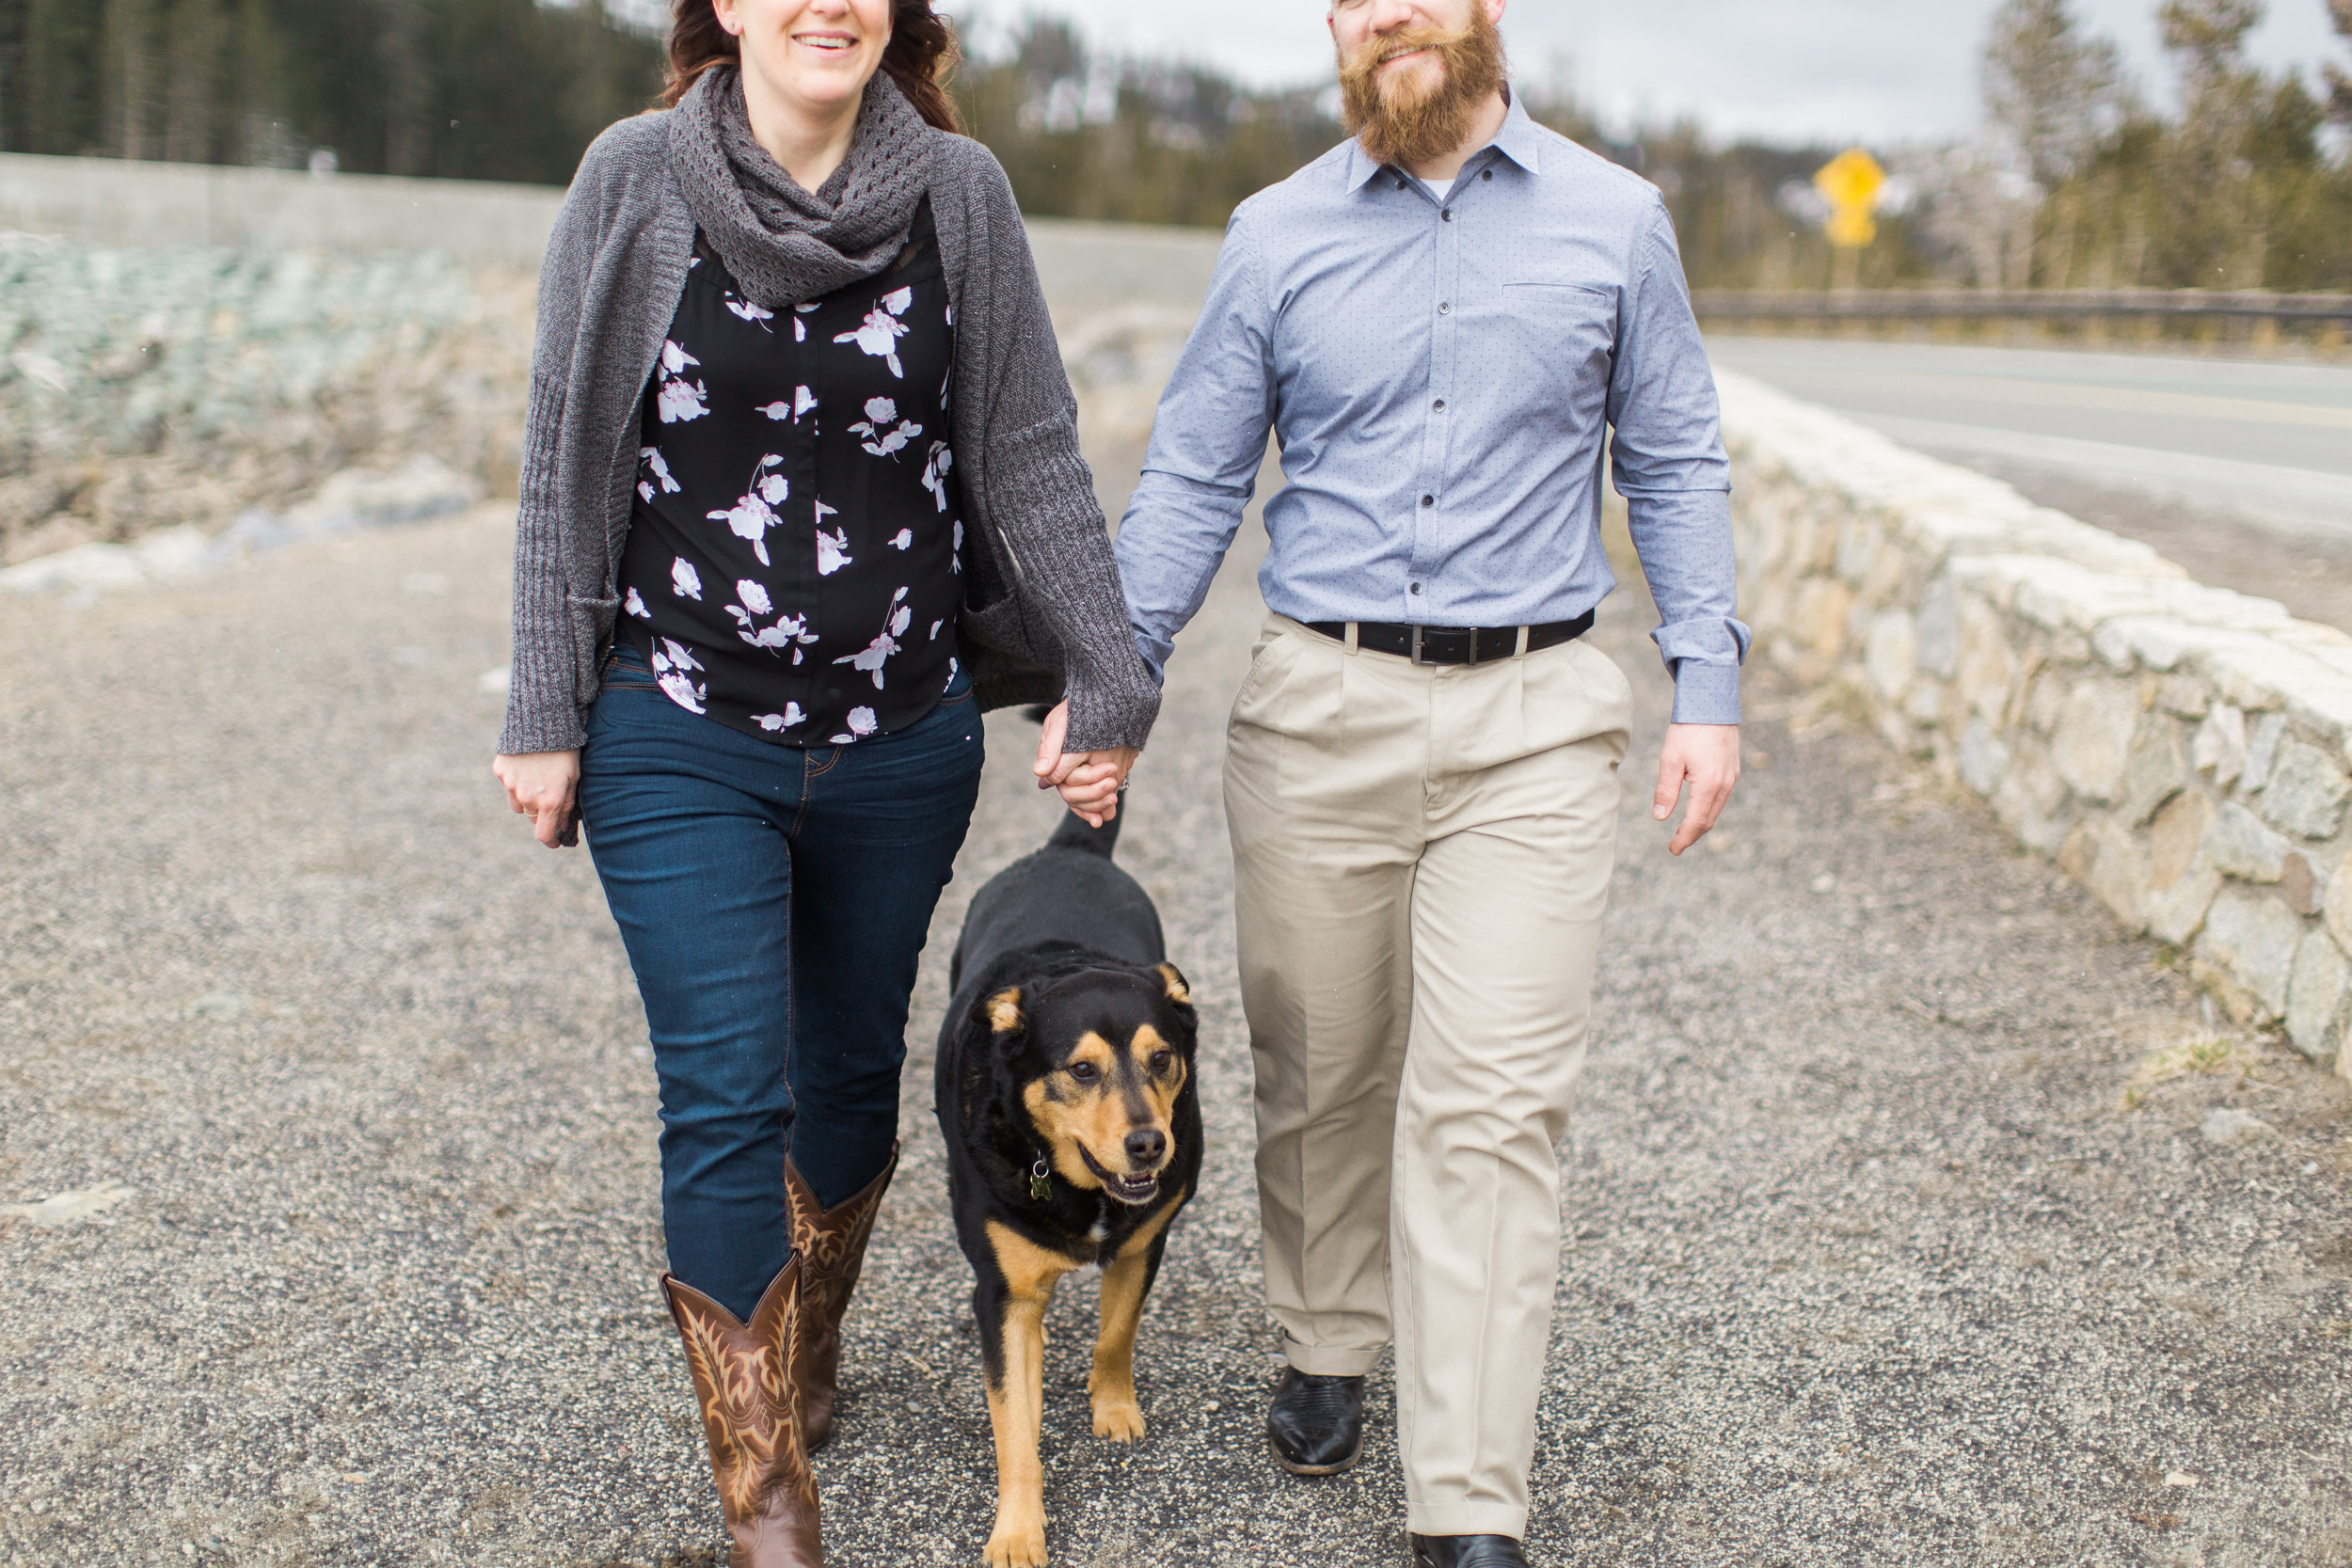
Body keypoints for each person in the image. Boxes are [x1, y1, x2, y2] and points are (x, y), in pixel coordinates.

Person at [489, 1, 1152, 1560]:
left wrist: (1106, 670)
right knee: (729, 1093)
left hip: (898, 733)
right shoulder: (635, 178)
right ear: (723, 4)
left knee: (850, 1081)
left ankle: (805, 1348)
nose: (825, 4)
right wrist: (543, 705)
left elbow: (1030, 454)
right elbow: (563, 453)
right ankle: (766, 1488)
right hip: (676, 716)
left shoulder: (960, 197)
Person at [1113, 2, 1747, 1563]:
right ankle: (1329, 1334)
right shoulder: (1273, 236)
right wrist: (1114, 681)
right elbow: (1196, 468)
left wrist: (1706, 686)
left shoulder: (1619, 222)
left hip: (1536, 717)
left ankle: (1467, 1502)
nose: (1386, 10)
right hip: (1319, 703)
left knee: (1489, 1113)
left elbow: (1671, 453)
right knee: (1324, 1067)